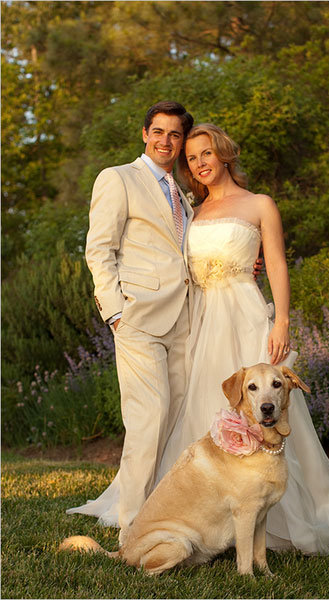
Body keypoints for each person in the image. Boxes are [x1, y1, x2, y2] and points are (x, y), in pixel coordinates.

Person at [156, 123, 329, 554]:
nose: (200, 163)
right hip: (202, 322)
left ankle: (278, 518)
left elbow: (276, 264)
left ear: (223, 153)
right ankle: (210, 520)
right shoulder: (191, 211)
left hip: (245, 314)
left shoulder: (260, 204)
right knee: (205, 409)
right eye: (191, 158)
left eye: (206, 153)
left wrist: (281, 322)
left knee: (262, 410)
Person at [67, 101, 195, 545]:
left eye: (175, 135)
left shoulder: (183, 192)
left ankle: (167, 514)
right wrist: (116, 313)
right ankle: (133, 529)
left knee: (176, 419)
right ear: (145, 133)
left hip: (185, 319)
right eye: (158, 132)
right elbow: (98, 248)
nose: (166, 141)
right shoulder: (118, 178)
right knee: (148, 417)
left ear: (181, 142)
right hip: (138, 317)